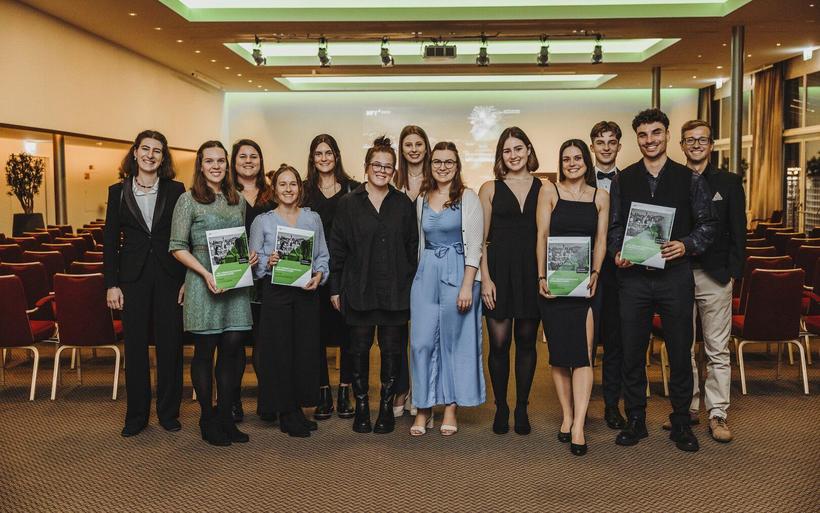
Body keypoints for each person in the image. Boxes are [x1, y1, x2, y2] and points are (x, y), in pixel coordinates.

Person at [608, 109, 718, 453]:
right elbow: (613, 228)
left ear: (668, 135)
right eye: (643, 134)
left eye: (656, 133)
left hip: (675, 278)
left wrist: (685, 244)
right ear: (636, 139)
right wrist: (617, 252)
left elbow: (708, 226)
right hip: (634, 280)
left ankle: (682, 421)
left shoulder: (690, 179)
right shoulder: (622, 179)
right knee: (632, 352)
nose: (650, 140)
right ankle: (636, 418)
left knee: (680, 352)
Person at [169, 140, 258, 447]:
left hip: (234, 284)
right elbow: (177, 247)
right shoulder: (188, 200)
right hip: (203, 282)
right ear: (201, 165)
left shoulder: (238, 200)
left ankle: (225, 417)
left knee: (234, 349)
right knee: (205, 352)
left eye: (221, 161)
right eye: (210, 161)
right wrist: (206, 273)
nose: (217, 166)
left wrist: (249, 257)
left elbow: (239, 240)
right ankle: (207, 418)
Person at [661, 119, 745, 442]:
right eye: (689, 140)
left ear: (712, 145)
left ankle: (718, 413)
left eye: (702, 140)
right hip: (678, 273)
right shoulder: (673, 181)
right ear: (681, 144)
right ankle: (689, 407)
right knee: (682, 346)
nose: (696, 145)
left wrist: (733, 273)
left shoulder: (729, 182)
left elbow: (739, 231)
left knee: (716, 348)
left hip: (715, 275)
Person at [329, 136, 418, 434]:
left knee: (393, 352)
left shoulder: (403, 204)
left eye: (388, 166)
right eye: (377, 165)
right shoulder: (348, 204)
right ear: (366, 167)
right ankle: (363, 406)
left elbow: (411, 248)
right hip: (359, 289)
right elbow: (337, 249)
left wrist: (409, 287)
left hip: (395, 292)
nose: (382, 170)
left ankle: (386, 408)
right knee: (358, 351)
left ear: (394, 170)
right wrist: (336, 289)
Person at [103, 130, 185, 438]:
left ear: (163, 158)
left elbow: (186, 237)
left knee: (171, 345)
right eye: (146, 149)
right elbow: (109, 241)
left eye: (158, 151)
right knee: (135, 348)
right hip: (131, 279)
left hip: (169, 276)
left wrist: (187, 279)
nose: (151, 155)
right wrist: (111, 283)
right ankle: (136, 416)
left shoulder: (176, 190)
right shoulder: (117, 191)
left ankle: (168, 413)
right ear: (135, 153)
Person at [536, 140, 609, 456]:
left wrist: (595, 272)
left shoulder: (600, 196)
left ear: (586, 161)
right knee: (559, 355)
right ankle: (566, 414)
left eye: (578, 158)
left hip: (586, 287)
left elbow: (602, 240)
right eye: (566, 158)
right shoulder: (549, 191)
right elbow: (541, 236)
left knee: (583, 353)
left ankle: (579, 423)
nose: (572, 163)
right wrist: (541, 276)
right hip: (554, 283)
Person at [409, 141, 485, 437]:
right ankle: (424, 407)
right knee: (421, 343)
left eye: (448, 162)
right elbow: (420, 242)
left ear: (457, 165)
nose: (442, 166)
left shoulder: (469, 198)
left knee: (455, 344)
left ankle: (451, 407)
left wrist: (468, 285)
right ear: (431, 165)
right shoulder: (422, 198)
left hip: (459, 274)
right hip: (427, 273)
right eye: (437, 161)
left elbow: (475, 245)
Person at [250, 164, 330, 437]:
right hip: (277, 294)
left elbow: (322, 255)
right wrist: (266, 260)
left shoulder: (313, 219)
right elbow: (254, 262)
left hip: (306, 292)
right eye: (282, 184)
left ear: (300, 188)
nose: (288, 189)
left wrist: (319, 276)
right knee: (280, 352)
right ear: (274, 189)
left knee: (304, 351)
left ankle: (296, 407)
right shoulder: (263, 221)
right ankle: (285, 411)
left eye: (292, 184)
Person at [478, 127, 542, 435]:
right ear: (500, 156)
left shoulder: (547, 188)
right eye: (507, 150)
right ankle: (501, 405)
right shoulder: (489, 188)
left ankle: (522, 408)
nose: (513, 155)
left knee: (527, 342)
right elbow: (480, 240)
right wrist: (485, 279)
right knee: (500, 344)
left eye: (518, 148)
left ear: (529, 150)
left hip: (532, 273)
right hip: (498, 275)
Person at [303, 134, 360, 421]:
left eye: (328, 152)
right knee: (316, 334)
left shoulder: (354, 189)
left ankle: (345, 390)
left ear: (336, 155)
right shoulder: (302, 191)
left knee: (348, 333)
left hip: (346, 272)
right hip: (310, 274)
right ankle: (322, 391)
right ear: (312, 158)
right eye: (318, 153)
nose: (323, 158)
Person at [229, 138, 276, 423]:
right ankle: (233, 400)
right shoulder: (224, 194)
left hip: (265, 279)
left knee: (264, 343)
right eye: (242, 156)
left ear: (261, 161)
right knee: (233, 343)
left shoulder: (271, 196)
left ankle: (267, 400)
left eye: (254, 156)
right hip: (233, 277)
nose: (248, 161)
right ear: (234, 162)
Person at [589, 120, 627, 429]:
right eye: (600, 142)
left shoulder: (630, 182)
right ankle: (580, 406)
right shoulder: (576, 178)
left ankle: (612, 405)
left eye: (611, 141)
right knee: (583, 341)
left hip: (617, 272)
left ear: (618, 146)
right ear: (592, 147)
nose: (605, 146)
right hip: (582, 271)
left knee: (615, 342)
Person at [392, 125, 433, 416]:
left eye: (419, 143)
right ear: (401, 149)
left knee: (424, 335)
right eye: (408, 144)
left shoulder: (437, 179)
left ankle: (423, 393)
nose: (414, 149)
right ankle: (402, 388)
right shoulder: (393, 180)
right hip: (398, 266)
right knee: (397, 333)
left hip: (429, 264)